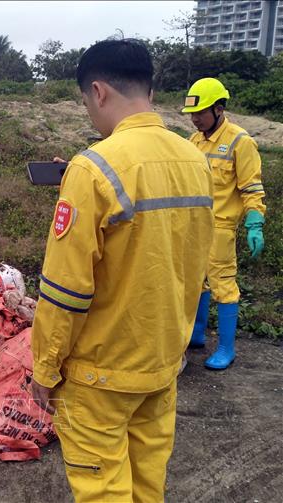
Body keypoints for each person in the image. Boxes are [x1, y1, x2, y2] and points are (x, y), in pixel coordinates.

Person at [30, 39, 214, 502]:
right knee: (147, 485)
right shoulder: (196, 160)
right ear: (148, 90)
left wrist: (45, 369)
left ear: (98, 91)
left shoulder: (92, 170)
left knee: (103, 491)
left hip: (101, 375)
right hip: (161, 364)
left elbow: (65, 290)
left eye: (85, 102)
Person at [182, 77, 266, 370]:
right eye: (192, 114)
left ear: (219, 108)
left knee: (223, 286)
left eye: (200, 113)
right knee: (196, 281)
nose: (194, 120)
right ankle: (196, 334)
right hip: (194, 224)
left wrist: (255, 223)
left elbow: (252, 188)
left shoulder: (240, 141)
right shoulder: (194, 141)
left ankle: (227, 348)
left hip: (220, 227)